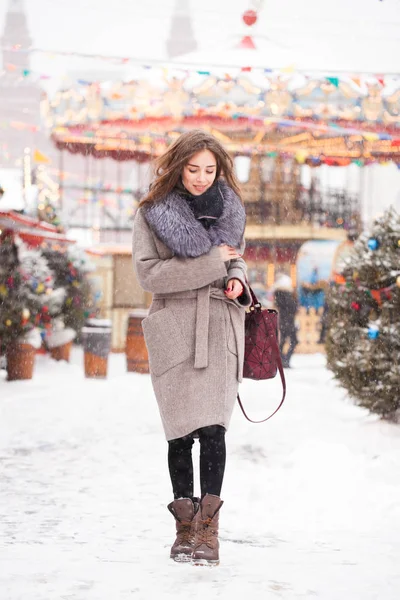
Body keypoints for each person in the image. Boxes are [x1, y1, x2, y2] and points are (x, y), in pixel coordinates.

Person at [132, 130, 251, 566]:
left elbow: (235, 256)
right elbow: (150, 276)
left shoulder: (232, 210)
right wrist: (212, 263)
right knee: (180, 434)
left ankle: (208, 531)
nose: (202, 178)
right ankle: (184, 529)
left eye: (210, 169)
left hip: (220, 325)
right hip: (175, 327)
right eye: (193, 168)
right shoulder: (151, 214)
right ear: (178, 166)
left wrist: (237, 275)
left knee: (215, 431)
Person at [272, 273, 298, 368]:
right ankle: (284, 360)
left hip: (283, 322)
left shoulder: (278, 295)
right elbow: (293, 308)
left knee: (283, 341)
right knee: (292, 341)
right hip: (289, 322)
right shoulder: (287, 296)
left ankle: (282, 360)